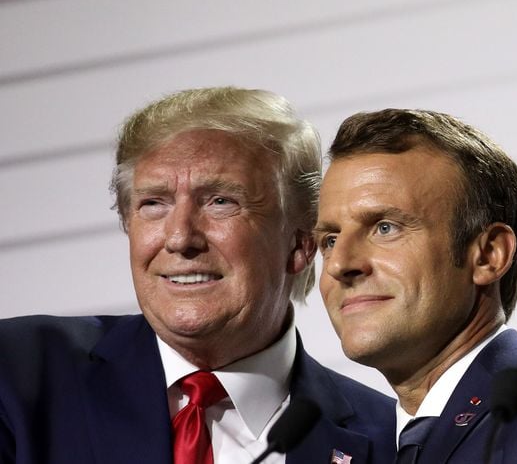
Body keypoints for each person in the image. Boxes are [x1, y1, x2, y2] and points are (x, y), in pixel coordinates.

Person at [0, 87, 395, 464]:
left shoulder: (388, 443)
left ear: (301, 242)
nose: (179, 237)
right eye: (154, 203)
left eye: (221, 202)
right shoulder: (19, 373)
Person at [316, 108, 517, 463]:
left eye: (385, 227)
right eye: (330, 240)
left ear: (488, 255)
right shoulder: (364, 450)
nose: (339, 264)